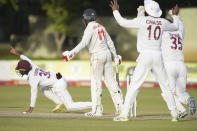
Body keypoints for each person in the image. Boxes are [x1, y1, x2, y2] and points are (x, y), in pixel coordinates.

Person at [110, 0, 180, 122]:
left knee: (134, 86)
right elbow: (175, 27)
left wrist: (115, 11)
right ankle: (175, 114)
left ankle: (125, 114)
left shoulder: (142, 20)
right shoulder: (163, 22)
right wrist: (175, 15)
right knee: (166, 86)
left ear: (148, 10)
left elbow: (122, 22)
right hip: (158, 55)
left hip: (145, 55)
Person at [62, 8, 123, 117]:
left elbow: (84, 43)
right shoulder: (101, 27)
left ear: (86, 19)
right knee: (112, 83)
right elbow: (110, 42)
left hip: (97, 56)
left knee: (96, 83)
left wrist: (70, 53)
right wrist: (115, 57)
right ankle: (121, 108)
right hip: (107, 55)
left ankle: (97, 111)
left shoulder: (89, 28)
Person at [9, 47, 92, 113]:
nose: (19, 71)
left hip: (59, 84)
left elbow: (34, 93)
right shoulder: (31, 65)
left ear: (26, 70)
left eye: (20, 70)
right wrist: (16, 53)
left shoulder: (32, 78)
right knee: (44, 88)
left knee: (70, 106)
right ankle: (60, 102)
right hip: (57, 78)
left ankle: (94, 104)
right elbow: (24, 57)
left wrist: (31, 108)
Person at [161, 10, 196, 117]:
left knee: (167, 93)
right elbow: (181, 25)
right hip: (181, 66)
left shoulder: (163, 33)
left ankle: (181, 110)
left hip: (169, 66)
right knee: (181, 92)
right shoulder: (179, 33)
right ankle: (188, 99)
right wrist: (176, 15)